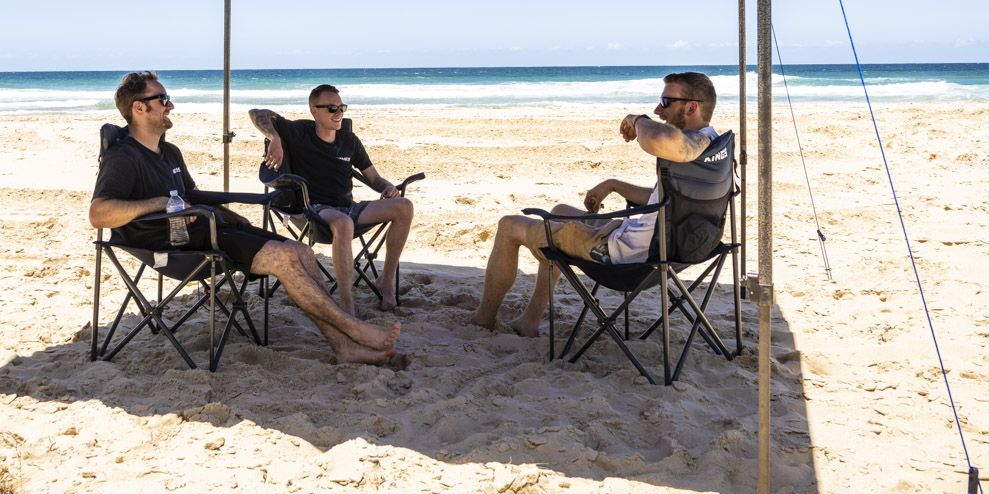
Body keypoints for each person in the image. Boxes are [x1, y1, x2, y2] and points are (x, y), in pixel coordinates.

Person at [89, 72, 401, 365]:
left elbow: (193, 196)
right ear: (139, 108)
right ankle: (354, 330)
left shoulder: (170, 153)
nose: (171, 105)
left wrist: (236, 215)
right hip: (172, 244)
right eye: (163, 99)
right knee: (283, 258)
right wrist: (160, 203)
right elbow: (99, 213)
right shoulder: (123, 156)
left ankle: (344, 347)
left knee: (302, 251)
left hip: (207, 228)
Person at [470, 72, 723, 337]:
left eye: (666, 101)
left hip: (628, 256)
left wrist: (638, 120)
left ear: (692, 107)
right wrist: (614, 184)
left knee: (508, 226)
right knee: (559, 213)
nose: (658, 109)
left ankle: (482, 321)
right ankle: (529, 321)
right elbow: (671, 199)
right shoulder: (714, 144)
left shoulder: (692, 146)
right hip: (672, 247)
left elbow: (658, 140)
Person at [248, 85, 415, 314]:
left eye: (341, 107)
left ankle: (385, 280)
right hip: (313, 210)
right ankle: (347, 305)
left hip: (348, 208)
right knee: (344, 223)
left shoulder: (349, 140)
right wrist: (274, 137)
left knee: (404, 207)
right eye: (331, 108)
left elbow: (374, 178)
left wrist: (387, 187)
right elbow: (256, 112)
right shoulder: (299, 133)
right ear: (314, 111)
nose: (338, 113)